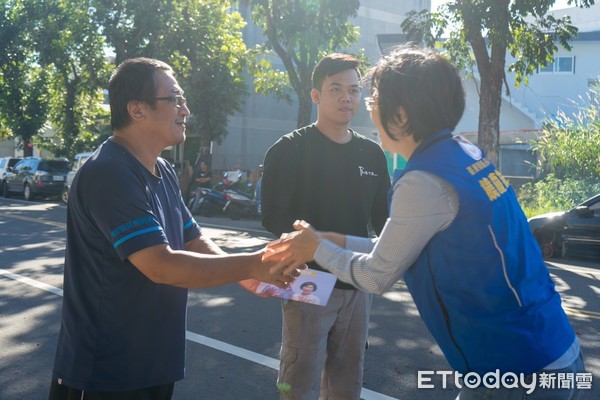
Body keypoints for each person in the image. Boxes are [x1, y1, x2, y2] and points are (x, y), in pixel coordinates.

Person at [266, 45, 586, 400]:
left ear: (400, 114)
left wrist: (318, 246)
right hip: (544, 347)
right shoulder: (464, 152)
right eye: (338, 90)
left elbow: (378, 271)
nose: (362, 104)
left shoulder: (419, 178)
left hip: (513, 365)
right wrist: (330, 240)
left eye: (366, 95)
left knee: (345, 377)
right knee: (302, 375)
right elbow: (399, 242)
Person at [48, 57, 299, 400]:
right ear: (137, 109)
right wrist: (252, 263)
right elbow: (161, 265)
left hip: (153, 362)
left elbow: (193, 239)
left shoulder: (162, 171)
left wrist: (251, 275)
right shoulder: (109, 173)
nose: (185, 109)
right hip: (105, 371)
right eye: (175, 99)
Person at [260, 53, 391, 400]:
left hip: (357, 281)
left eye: (353, 90)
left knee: (347, 384)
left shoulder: (372, 154)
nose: (346, 98)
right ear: (315, 95)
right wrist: (309, 245)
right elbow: (272, 216)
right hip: (307, 280)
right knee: (298, 383)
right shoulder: (290, 149)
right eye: (336, 89)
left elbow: (384, 220)